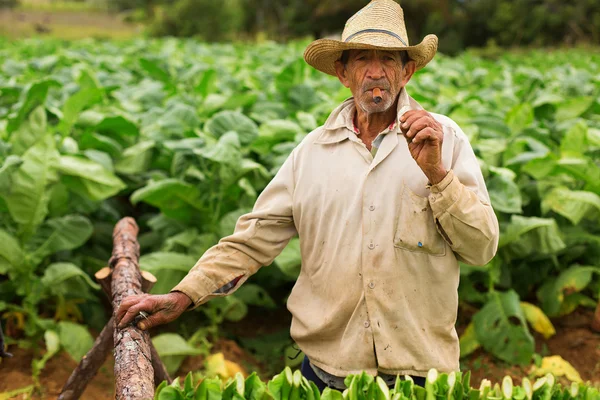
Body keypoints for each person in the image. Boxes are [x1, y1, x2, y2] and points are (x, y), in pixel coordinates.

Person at [116, 0, 499, 391]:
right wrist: (184, 294)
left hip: (419, 378)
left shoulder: (443, 139)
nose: (375, 72)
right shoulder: (312, 153)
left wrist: (437, 174)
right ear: (342, 72)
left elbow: (482, 248)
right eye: (362, 58)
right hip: (325, 376)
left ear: (408, 71)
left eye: (388, 59)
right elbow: (252, 240)